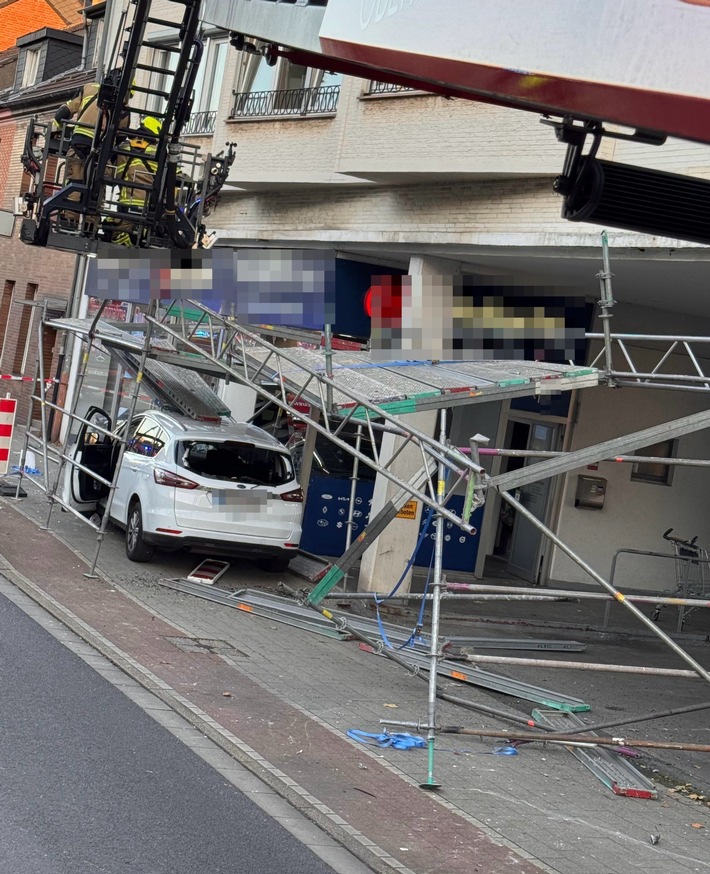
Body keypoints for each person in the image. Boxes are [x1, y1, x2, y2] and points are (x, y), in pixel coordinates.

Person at [53, 75, 132, 224]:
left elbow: (64, 111)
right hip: (102, 149)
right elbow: (122, 135)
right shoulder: (124, 107)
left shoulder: (88, 88)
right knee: (97, 185)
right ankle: (90, 224)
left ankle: (69, 221)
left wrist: (55, 128)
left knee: (74, 181)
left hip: (79, 143)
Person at [110, 116, 162, 246]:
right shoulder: (157, 152)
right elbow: (174, 176)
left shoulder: (122, 147)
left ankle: (125, 237)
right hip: (146, 206)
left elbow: (112, 172)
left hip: (125, 203)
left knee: (113, 231)